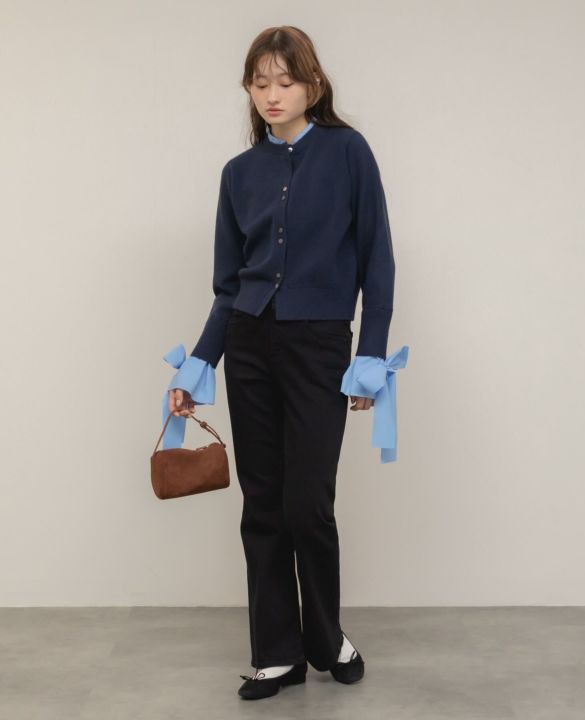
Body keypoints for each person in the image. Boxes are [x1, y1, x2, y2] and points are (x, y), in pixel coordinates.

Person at [161, 25, 409, 700]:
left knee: (308, 504)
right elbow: (228, 285)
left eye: (286, 81)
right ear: (249, 89)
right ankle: (277, 653)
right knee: (263, 503)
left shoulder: (349, 153)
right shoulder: (238, 174)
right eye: (260, 82)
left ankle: (327, 639)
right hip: (248, 345)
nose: (272, 94)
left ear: (313, 85)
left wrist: (370, 357)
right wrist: (196, 369)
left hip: (319, 346)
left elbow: (378, 262)